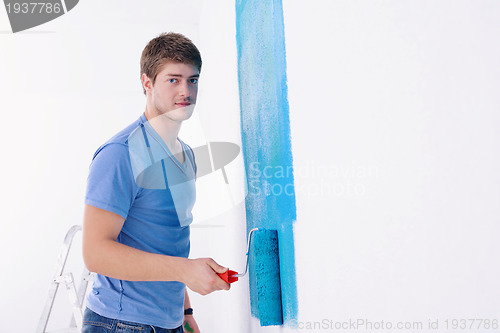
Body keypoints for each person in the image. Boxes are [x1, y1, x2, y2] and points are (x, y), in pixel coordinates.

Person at [81, 32, 230, 333]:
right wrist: (186, 271)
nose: (185, 90)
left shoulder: (187, 154)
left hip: (170, 323)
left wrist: (185, 311)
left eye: (193, 80)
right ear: (147, 83)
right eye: (173, 79)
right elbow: (95, 253)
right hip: (119, 324)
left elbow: (167, 239)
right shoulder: (120, 154)